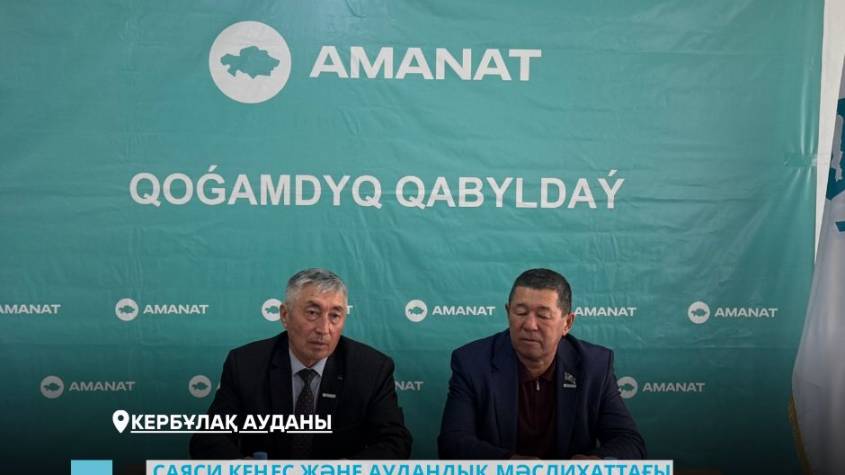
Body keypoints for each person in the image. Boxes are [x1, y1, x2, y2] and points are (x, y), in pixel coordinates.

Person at [190, 268, 412, 459]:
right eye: (313, 313)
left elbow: (395, 441)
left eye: (335, 316)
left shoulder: (371, 369)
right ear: (285, 315)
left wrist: (347, 470)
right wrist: (243, 468)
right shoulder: (246, 364)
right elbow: (209, 438)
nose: (324, 329)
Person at [438, 268, 646, 459]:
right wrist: (511, 465)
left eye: (543, 315)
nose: (530, 325)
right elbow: (452, 443)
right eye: (520, 312)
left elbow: (629, 442)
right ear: (508, 313)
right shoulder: (472, 363)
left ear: (567, 323)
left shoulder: (594, 365)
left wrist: (594, 463)